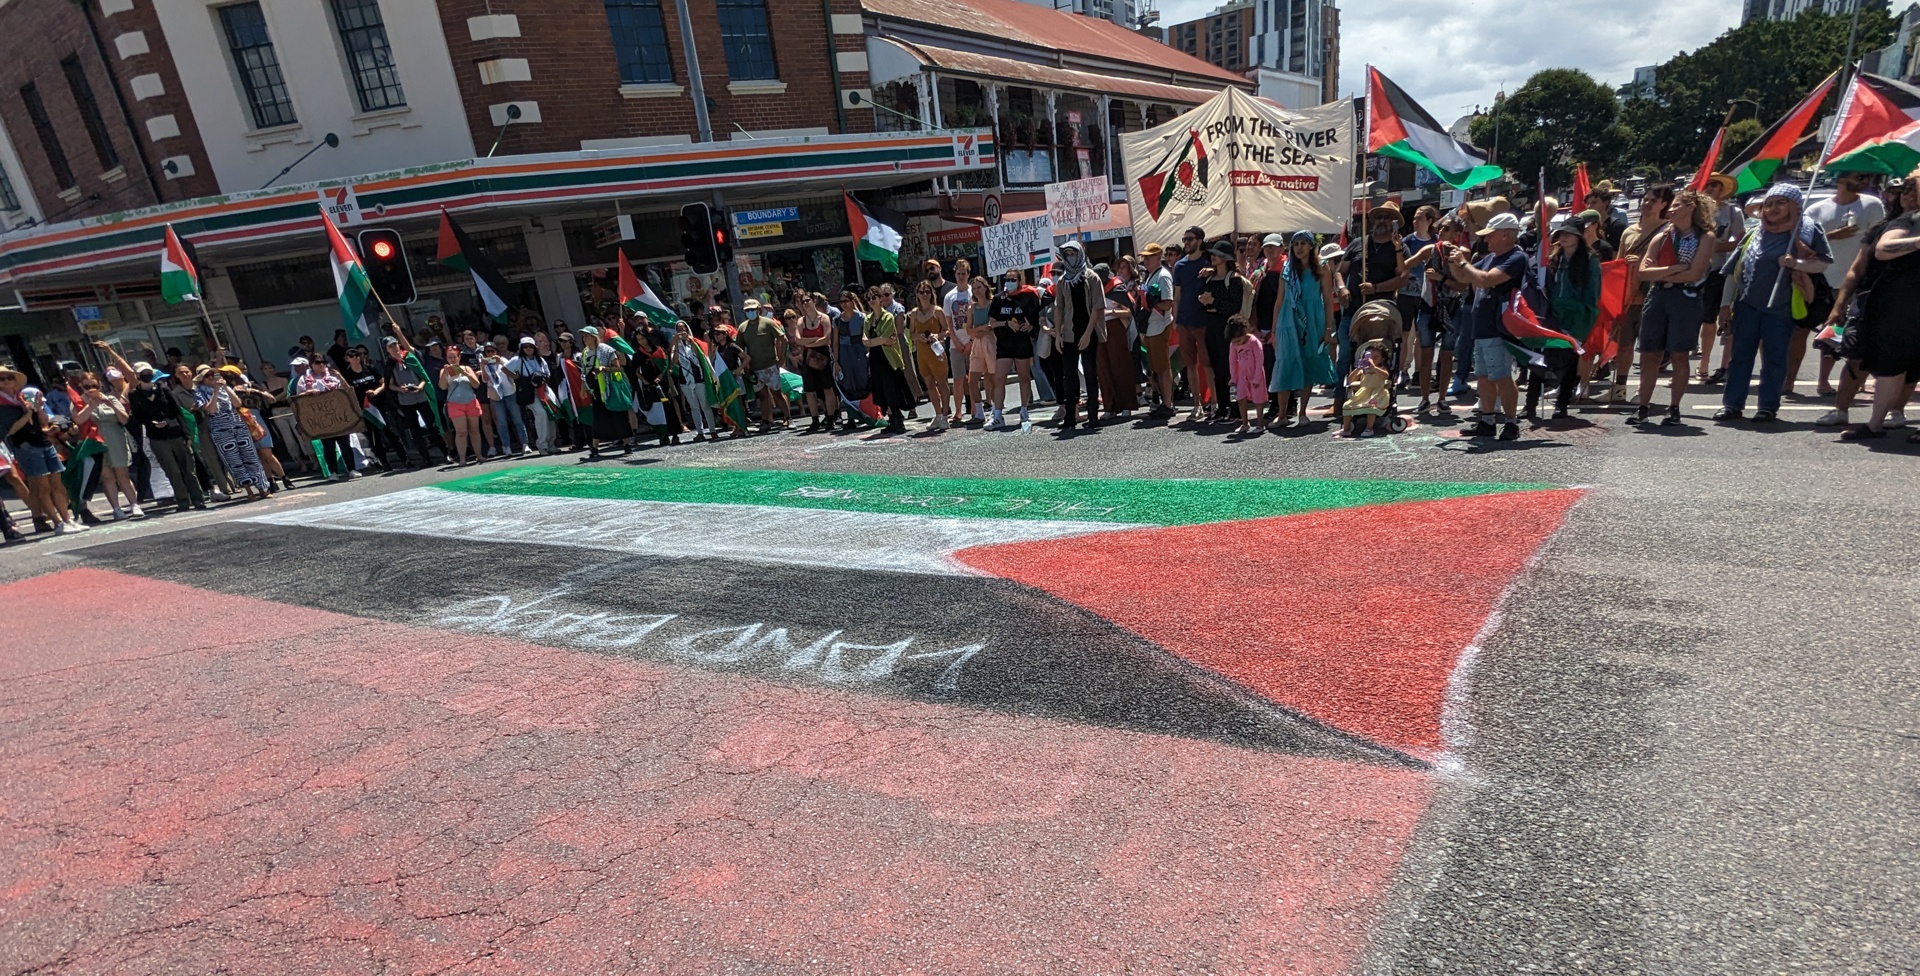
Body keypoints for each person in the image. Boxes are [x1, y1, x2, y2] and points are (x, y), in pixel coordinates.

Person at [1716, 183, 1832, 423]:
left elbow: (1821, 263)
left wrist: (1796, 264)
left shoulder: (1808, 231)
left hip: (1781, 307)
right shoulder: (1753, 234)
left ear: (1795, 206)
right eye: (1768, 204)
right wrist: (1725, 306)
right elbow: (1733, 273)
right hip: (1747, 305)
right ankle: (1732, 404)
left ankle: (1767, 407)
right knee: (1740, 356)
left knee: (1776, 357)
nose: (1773, 208)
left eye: (1781, 202)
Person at [1841, 167, 1920, 442]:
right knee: (1890, 366)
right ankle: (1875, 424)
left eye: (1913, 189)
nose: (1909, 195)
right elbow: (1883, 249)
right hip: (1902, 307)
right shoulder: (1910, 220)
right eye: (1906, 190)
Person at [1630, 189, 1719, 426]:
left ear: (1691, 207)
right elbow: (1642, 272)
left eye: (1677, 205)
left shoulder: (1705, 237)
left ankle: (1674, 407)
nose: (1671, 209)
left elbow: (1695, 273)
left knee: (1680, 354)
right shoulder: (1662, 236)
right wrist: (1673, 269)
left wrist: (1670, 272)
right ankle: (1643, 406)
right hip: (1658, 296)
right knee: (1650, 354)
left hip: (1686, 300)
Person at [1797, 173, 1883, 397]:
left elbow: (1879, 240)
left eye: (1862, 174)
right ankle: (1805, 381)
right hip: (1822, 279)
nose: (1861, 178)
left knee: (1848, 332)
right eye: (1854, 174)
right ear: (1840, 179)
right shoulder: (1816, 209)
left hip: (1858, 281)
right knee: (1815, 331)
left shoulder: (1873, 205)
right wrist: (1832, 236)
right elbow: (1803, 244)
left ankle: (1845, 381)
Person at [1447, 211, 1530, 440]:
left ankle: (1511, 422)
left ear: (1505, 235)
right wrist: (1456, 263)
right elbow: (1466, 279)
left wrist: (1464, 263)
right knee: (1483, 376)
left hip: (1499, 326)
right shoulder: (1492, 257)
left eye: (1491, 235)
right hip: (1482, 326)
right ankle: (1487, 419)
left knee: (1501, 376)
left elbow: (1485, 279)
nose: (1486, 240)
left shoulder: (1515, 257)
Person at [1521, 220, 1602, 423]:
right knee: (1539, 359)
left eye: (1569, 233)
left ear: (1579, 237)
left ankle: (1562, 405)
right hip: (1552, 316)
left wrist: (1581, 320)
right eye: (1562, 233)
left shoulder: (1590, 261)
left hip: (1576, 318)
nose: (1564, 237)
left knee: (1570, 361)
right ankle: (1529, 405)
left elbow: (1592, 294)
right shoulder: (1553, 259)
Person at [1340, 204, 1410, 413]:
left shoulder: (1400, 247)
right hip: (1354, 311)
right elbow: (1339, 271)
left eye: (1387, 218)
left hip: (1382, 311)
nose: (1382, 221)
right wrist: (1342, 288)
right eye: (1379, 217)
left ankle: (1381, 400)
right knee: (1346, 355)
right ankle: (1340, 401)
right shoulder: (1357, 244)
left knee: (1379, 355)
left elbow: (1402, 278)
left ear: (1393, 222)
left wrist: (1376, 288)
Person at [0, 362, 86, 534]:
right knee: (42, 486)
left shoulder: (21, 398)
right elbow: (9, 431)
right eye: (2, 379)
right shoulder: (3, 404)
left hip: (42, 441)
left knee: (57, 483)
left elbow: (42, 423)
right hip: (25, 446)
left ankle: (67, 520)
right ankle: (57, 522)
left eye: (10, 377)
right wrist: (27, 414)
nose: (7, 381)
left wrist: (38, 409)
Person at [1610, 184, 1676, 404]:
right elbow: (1618, 264)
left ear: (1664, 205)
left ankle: (1644, 390)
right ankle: (1619, 388)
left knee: (1650, 349)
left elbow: (1669, 262)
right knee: (1624, 345)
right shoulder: (1629, 232)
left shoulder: (1668, 231)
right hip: (1629, 297)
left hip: (1653, 296)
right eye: (1645, 199)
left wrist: (1644, 265)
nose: (1646, 204)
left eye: (1652, 200)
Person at [1266, 232, 1339, 428]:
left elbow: (1328, 300)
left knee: (1308, 362)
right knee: (1285, 362)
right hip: (1288, 321)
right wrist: (1274, 331)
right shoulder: (1287, 269)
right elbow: (1279, 300)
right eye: (1296, 244)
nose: (1299, 248)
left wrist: (1328, 329)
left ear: (1311, 246)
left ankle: (1303, 412)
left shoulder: (1322, 268)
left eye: (1303, 244)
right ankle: (1281, 415)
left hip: (1313, 320)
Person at [1049, 240, 1107, 430]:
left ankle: (1092, 415)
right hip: (1069, 334)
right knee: (1069, 375)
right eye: (1067, 254)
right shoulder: (1063, 280)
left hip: (1088, 331)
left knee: (1090, 373)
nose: (1070, 257)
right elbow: (1059, 308)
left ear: (1080, 254)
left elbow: (1098, 307)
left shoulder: (1091, 277)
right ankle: (1070, 417)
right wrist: (1057, 334)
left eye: (1073, 253)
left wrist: (1088, 333)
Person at [77, 358, 144, 519]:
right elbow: (78, 420)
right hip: (96, 442)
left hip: (115, 439)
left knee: (123, 474)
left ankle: (134, 504)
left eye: (94, 386)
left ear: (99, 385)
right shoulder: (80, 402)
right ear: (81, 387)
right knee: (107, 476)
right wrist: (91, 405)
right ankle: (116, 508)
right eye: (87, 386)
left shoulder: (111, 398)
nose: (91, 389)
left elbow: (124, 419)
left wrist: (111, 404)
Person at [1196, 238, 1251, 422]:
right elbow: (1206, 304)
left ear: (1225, 258)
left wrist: (1213, 303)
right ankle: (1222, 406)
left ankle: (1235, 407)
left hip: (1227, 327)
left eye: (1217, 255)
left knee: (1231, 368)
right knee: (1217, 367)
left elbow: (1233, 306)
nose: (1213, 257)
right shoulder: (1210, 278)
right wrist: (1206, 303)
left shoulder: (1233, 279)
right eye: (1212, 254)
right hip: (1211, 326)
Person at [194, 364, 269, 498]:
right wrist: (216, 391)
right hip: (220, 428)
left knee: (250, 456)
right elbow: (211, 410)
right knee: (234, 460)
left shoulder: (225, 388)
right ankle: (249, 490)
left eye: (213, 374)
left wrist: (225, 388)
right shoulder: (200, 392)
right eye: (207, 376)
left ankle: (262, 488)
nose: (211, 378)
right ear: (202, 379)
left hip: (237, 424)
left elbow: (237, 404)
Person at [1170, 226, 1212, 422]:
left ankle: (1214, 402)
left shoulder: (1209, 260)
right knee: (1190, 365)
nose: (1186, 242)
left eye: (1190, 239)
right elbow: (1176, 296)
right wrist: (1175, 319)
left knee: (1208, 364)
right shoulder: (1180, 266)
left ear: (1200, 240)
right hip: (1185, 321)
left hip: (1203, 320)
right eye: (1184, 239)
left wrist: (1212, 270)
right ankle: (1197, 405)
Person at [990, 269, 1042, 429]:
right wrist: (1006, 323)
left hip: (1022, 342)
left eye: (1013, 279)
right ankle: (997, 414)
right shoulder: (999, 299)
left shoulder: (1028, 296)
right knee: (999, 378)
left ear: (1019, 280)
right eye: (1007, 279)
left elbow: (1037, 316)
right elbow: (992, 322)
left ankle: (1024, 411)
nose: (1010, 282)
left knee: (1024, 377)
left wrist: (1031, 324)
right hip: (1004, 344)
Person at [292, 357, 354, 480]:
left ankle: (352, 469)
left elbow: (347, 390)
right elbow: (298, 397)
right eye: (318, 363)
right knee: (328, 445)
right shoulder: (304, 380)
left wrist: (340, 377)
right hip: (321, 418)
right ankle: (333, 472)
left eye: (323, 362)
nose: (321, 365)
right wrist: (309, 392)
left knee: (345, 443)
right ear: (311, 365)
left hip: (337, 414)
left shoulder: (332, 376)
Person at [863, 288, 913, 434]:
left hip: (889, 359)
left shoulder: (888, 317)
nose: (871, 300)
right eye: (868, 298)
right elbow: (865, 340)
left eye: (874, 297)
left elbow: (887, 337)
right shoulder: (868, 319)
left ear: (880, 299)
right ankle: (892, 420)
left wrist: (874, 341)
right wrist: (878, 341)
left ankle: (899, 421)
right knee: (882, 391)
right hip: (875, 358)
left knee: (892, 389)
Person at [1099, 258, 1142, 417]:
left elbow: (1129, 311)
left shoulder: (1117, 287)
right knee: (1103, 368)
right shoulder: (1095, 288)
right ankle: (1110, 406)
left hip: (1115, 327)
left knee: (1120, 367)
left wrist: (1111, 312)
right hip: (1099, 329)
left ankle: (1127, 404)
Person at [1139, 243, 1178, 417]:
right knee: (1155, 368)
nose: (1145, 260)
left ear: (1158, 256)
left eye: (1149, 256)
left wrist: (1153, 302)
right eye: (1144, 257)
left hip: (1160, 325)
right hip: (1150, 326)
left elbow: (1168, 303)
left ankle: (1168, 404)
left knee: (1163, 367)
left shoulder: (1163, 276)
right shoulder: (1150, 276)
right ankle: (1162, 401)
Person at [738, 298, 789, 431]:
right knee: (762, 396)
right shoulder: (742, 328)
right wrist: (745, 366)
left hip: (771, 365)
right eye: (747, 310)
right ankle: (766, 420)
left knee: (777, 393)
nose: (750, 312)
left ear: (758, 309)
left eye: (752, 310)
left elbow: (783, 339)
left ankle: (788, 418)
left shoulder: (768, 323)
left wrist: (781, 358)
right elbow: (739, 349)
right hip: (755, 367)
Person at [791, 292, 838, 431]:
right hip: (808, 356)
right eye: (803, 301)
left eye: (807, 300)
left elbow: (826, 339)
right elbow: (798, 340)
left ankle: (830, 418)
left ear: (814, 300)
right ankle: (815, 420)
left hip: (822, 355)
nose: (805, 303)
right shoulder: (801, 321)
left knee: (827, 388)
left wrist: (808, 342)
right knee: (809, 390)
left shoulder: (824, 318)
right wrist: (814, 341)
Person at [506, 336, 554, 454]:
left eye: (530, 346)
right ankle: (542, 445)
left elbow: (547, 374)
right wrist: (516, 377)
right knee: (541, 414)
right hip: (529, 392)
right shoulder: (517, 360)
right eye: (525, 347)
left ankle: (551, 444)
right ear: (521, 348)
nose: (528, 349)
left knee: (551, 414)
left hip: (543, 389)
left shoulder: (540, 360)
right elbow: (504, 368)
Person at [960, 276, 997, 426]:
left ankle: (996, 410)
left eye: (979, 287)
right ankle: (979, 412)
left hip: (991, 342)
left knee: (993, 379)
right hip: (977, 344)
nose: (977, 291)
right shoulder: (972, 308)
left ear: (985, 287)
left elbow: (992, 326)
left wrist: (980, 330)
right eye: (974, 289)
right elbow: (969, 330)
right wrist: (981, 329)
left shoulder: (992, 304)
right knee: (972, 380)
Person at [438, 352, 484, 464]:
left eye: (454, 357)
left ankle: (479, 455)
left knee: (474, 430)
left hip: (471, 401)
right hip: (455, 403)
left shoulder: (467, 368)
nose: (453, 359)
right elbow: (442, 387)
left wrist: (465, 373)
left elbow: (476, 384)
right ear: (447, 359)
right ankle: (462, 458)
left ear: (459, 357)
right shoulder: (444, 371)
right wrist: (445, 373)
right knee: (461, 432)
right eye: (450, 357)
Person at [1341, 339, 1393, 438]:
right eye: (1370, 357)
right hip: (1364, 392)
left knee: (1371, 406)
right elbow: (1350, 379)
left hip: (1377, 392)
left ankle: (1369, 428)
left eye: (1376, 358)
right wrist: (1358, 368)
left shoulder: (1381, 368)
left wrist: (1374, 367)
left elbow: (1385, 376)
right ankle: (1346, 429)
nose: (1372, 360)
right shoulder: (1364, 370)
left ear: (1382, 359)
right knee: (1347, 405)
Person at [1226, 314, 1266, 433]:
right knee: (1241, 398)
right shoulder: (1233, 345)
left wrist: (1257, 378)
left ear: (1244, 332)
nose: (1237, 343)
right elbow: (1232, 361)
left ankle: (1260, 424)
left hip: (1255, 374)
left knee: (1258, 399)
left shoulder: (1254, 342)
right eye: (1235, 341)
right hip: (1241, 376)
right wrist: (1233, 378)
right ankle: (1244, 423)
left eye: (1238, 340)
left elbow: (1260, 361)